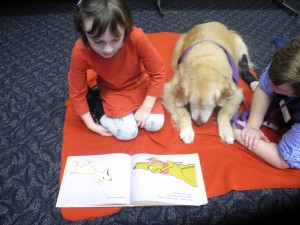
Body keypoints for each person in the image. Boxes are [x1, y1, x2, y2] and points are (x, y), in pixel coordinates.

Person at [68, 0, 166, 141]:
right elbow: (76, 91)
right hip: (113, 90)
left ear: (126, 29)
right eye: (98, 41)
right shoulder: (81, 50)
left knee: (155, 124)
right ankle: (96, 105)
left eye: (115, 39)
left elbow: (158, 72)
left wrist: (146, 108)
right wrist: (91, 124)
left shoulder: (136, 37)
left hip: (140, 84)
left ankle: (126, 112)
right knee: (127, 133)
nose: (107, 49)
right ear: (83, 31)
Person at [232, 37, 300, 169]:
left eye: (278, 87)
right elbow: (264, 87)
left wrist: (237, 132)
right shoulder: (287, 62)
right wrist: (252, 126)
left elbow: (283, 160)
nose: (270, 88)